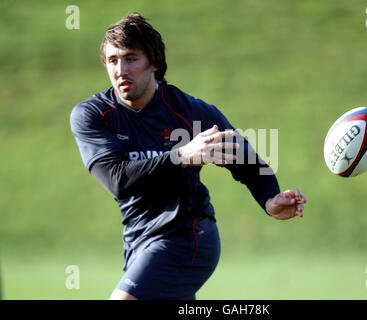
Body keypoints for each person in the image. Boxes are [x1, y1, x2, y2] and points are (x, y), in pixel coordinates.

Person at [70, 13, 307, 300]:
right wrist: (182, 155)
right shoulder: (94, 115)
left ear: (154, 63)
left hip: (188, 237)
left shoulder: (191, 112)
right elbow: (117, 179)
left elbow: (248, 162)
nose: (121, 69)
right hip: (137, 240)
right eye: (112, 60)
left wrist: (269, 200)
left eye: (131, 58)